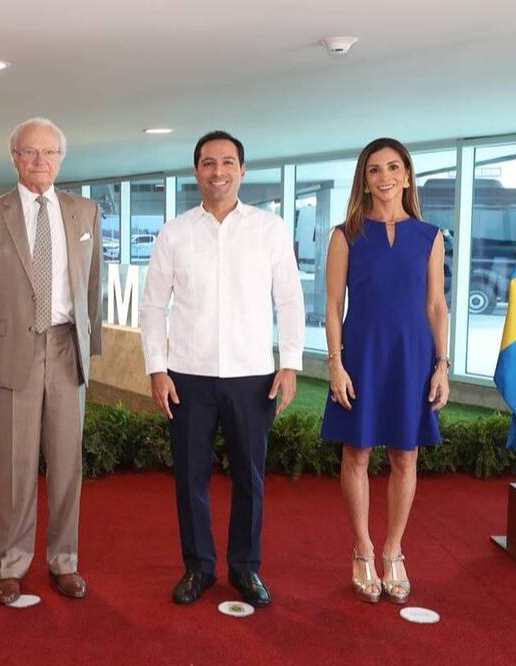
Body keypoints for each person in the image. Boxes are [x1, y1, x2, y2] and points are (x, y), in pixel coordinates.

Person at [140, 130, 304, 607]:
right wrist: (157, 368)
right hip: (187, 375)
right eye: (208, 163)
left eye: (228, 162)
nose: (218, 171)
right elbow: (153, 307)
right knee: (190, 477)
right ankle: (198, 568)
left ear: (242, 170)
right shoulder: (175, 232)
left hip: (252, 375)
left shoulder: (268, 229)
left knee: (250, 477)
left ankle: (245, 569)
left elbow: (289, 300)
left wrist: (289, 364)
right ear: (196, 172)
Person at [0, 118, 102, 605]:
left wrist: (91, 351)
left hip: (67, 350)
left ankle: (65, 561)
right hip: (9, 357)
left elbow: (91, 289)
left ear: (61, 158)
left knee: (67, 465)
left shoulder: (85, 213)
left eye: (48, 152)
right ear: (14, 158)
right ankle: (9, 563)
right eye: (29, 152)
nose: (39, 160)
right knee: (14, 466)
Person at [320, 137, 449, 605]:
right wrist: (335, 364)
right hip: (362, 353)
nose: (385, 177)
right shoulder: (346, 234)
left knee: (405, 456)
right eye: (374, 170)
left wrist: (442, 365)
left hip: (413, 356)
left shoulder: (429, 236)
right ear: (364, 179)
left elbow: (436, 305)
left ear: (408, 176)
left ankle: (393, 550)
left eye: (393, 167)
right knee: (355, 453)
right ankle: (362, 550)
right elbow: (333, 307)